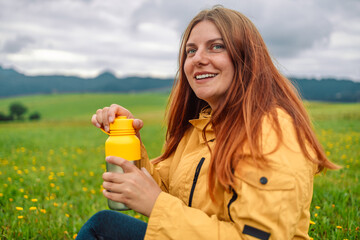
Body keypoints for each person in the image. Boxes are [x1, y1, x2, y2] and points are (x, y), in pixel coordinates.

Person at [76, 6, 339, 240]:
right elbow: (169, 189)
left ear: (246, 57)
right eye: (191, 50)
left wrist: (156, 205)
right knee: (104, 226)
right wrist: (131, 139)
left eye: (216, 46)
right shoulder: (203, 127)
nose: (198, 58)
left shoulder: (271, 131)